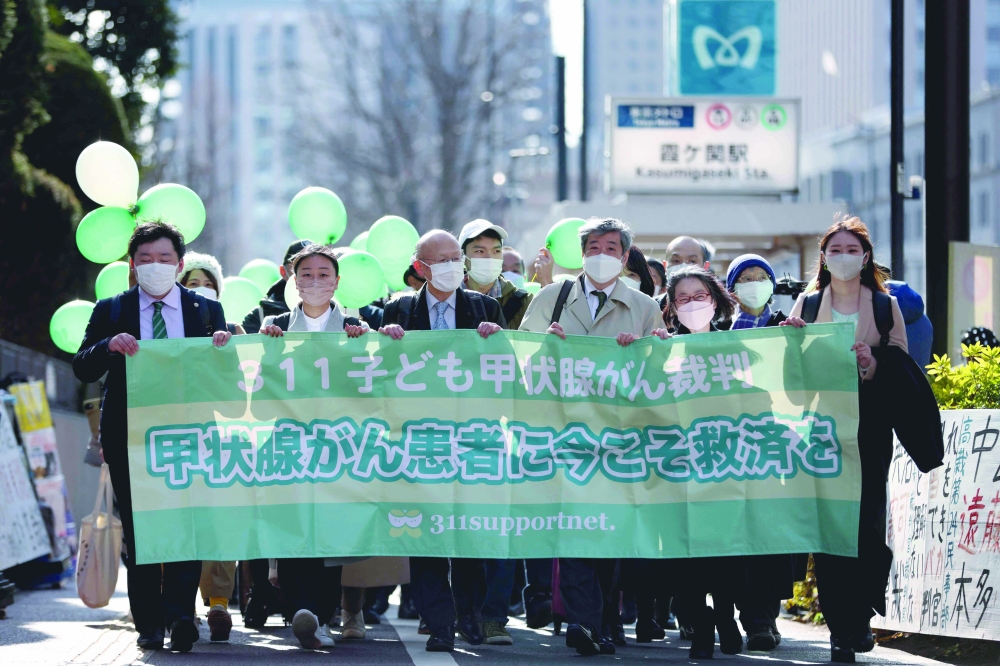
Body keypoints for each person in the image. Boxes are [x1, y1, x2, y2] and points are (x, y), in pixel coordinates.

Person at [73, 222, 232, 653]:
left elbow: (228, 378)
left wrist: (223, 347)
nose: (155, 267)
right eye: (145, 260)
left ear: (179, 265)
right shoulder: (111, 308)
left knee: (186, 524)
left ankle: (181, 616)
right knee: (140, 531)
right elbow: (82, 365)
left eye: (164, 260)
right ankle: (148, 623)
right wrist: (108, 344)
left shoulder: (203, 311)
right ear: (132, 264)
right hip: (131, 437)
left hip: (190, 434)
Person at [519, 217, 661, 656]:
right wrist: (546, 345)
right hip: (564, 438)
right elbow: (520, 363)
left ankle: (602, 621)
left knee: (608, 538)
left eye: (612, 247)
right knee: (576, 531)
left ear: (624, 256)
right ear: (582, 254)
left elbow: (658, 374)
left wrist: (640, 351)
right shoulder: (552, 297)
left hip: (618, 442)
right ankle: (584, 622)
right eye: (594, 246)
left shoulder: (643, 307)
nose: (603, 253)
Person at [781, 215, 907, 664]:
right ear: (823, 257)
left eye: (852, 249)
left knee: (866, 527)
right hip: (822, 429)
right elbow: (791, 378)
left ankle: (861, 616)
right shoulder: (809, 304)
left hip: (870, 428)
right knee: (832, 528)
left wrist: (870, 362)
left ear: (866, 257)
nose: (844, 257)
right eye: (835, 250)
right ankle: (841, 628)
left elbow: (901, 371)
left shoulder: (883, 306)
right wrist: (792, 343)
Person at [379, 229, 506, 652]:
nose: (454, 266)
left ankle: (469, 614)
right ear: (421, 268)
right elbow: (377, 373)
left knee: (469, 534)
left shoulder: (484, 306)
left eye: (458, 258)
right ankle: (439, 623)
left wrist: (496, 342)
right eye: (443, 259)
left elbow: (506, 373)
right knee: (425, 535)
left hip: (472, 440)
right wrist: (387, 343)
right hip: (419, 443)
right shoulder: (398, 309)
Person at [258, 244, 368, 649]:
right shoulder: (273, 325)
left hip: (337, 448)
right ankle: (301, 612)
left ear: (337, 282)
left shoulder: (357, 328)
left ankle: (319, 615)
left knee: (330, 534)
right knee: (291, 526)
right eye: (307, 273)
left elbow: (374, 381)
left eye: (324, 274)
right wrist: (262, 345)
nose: (315, 281)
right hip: (287, 445)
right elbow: (251, 376)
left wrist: (368, 342)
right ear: (292, 279)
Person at [459, 218, 533, 330]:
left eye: (496, 251)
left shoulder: (525, 303)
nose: (489, 258)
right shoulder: (447, 299)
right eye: (480, 251)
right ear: (463, 257)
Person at [241, 239, 313, 334]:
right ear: (283, 272)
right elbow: (246, 347)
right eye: (297, 266)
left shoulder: (335, 311)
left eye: (318, 269)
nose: (308, 274)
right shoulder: (259, 316)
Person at [181, 252, 246, 336]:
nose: (202, 290)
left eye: (208, 284)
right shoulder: (171, 328)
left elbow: (251, 350)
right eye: (194, 284)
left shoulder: (235, 330)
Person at [725, 253, 787, 329]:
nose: (756, 284)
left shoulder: (785, 325)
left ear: (771, 284)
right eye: (747, 279)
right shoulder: (719, 331)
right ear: (733, 289)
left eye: (762, 278)